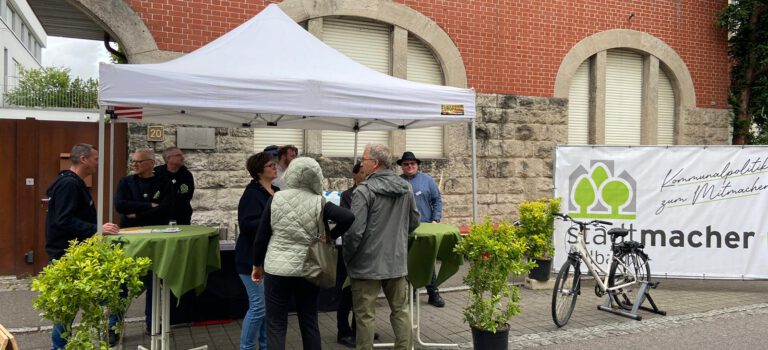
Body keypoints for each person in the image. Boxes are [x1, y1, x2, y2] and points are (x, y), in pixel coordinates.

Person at [252, 157, 354, 350]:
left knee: (276, 324)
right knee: (309, 321)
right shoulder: (320, 202)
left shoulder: (276, 199)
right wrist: (330, 237)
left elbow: (261, 238)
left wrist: (257, 265)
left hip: (277, 270)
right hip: (309, 268)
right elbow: (348, 217)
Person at [344, 144, 420, 350]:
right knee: (401, 311)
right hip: (396, 260)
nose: (361, 163)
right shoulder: (406, 188)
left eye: (364, 159)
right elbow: (414, 222)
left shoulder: (363, 190)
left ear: (375, 164)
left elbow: (354, 232)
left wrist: (347, 258)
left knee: (365, 316)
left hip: (366, 264)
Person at [45, 143, 120, 349]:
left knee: (97, 297)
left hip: (75, 253)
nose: (98, 163)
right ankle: (59, 347)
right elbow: (63, 220)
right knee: (67, 308)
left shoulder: (74, 183)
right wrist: (98, 228)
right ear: (84, 159)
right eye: (96, 159)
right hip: (67, 255)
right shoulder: (69, 185)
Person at [115, 148, 173, 333]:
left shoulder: (163, 182)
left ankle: (152, 323)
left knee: (153, 283)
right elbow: (120, 205)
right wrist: (148, 206)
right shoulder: (126, 181)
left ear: (150, 163)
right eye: (133, 161)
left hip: (154, 239)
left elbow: (165, 208)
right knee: (122, 282)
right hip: (129, 239)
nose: (134, 165)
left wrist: (135, 212)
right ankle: (114, 327)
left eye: (138, 162)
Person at [236, 152, 279, 350]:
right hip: (250, 259)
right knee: (258, 307)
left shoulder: (276, 191)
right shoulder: (252, 193)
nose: (275, 167)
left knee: (266, 308)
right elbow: (246, 225)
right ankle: (246, 347)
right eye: (270, 165)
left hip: (270, 257)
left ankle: (265, 345)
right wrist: (272, 222)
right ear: (259, 170)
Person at [397, 151, 445, 307]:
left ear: (417, 165)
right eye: (406, 164)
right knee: (408, 261)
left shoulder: (427, 181)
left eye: (412, 163)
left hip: (425, 227)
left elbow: (437, 200)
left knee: (427, 261)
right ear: (402, 167)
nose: (409, 166)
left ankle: (433, 293)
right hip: (404, 229)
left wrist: (435, 219)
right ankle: (412, 293)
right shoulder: (397, 182)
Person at [335, 162, 365, 348]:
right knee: (347, 293)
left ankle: (359, 330)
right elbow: (350, 220)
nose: (365, 175)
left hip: (366, 250)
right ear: (354, 175)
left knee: (362, 294)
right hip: (350, 250)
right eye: (361, 172)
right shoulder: (347, 195)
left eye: (366, 172)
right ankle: (343, 331)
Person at [154, 146, 195, 225]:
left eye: (182, 155)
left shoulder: (186, 174)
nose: (182, 158)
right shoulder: (157, 174)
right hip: (160, 218)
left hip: (182, 218)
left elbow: (189, 194)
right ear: (167, 159)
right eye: (178, 155)